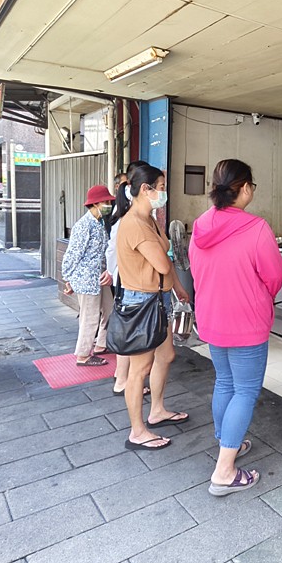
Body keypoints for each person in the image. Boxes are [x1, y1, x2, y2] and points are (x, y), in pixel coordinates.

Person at [190, 159, 282, 495]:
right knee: (245, 391)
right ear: (244, 188)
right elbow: (274, 276)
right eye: (253, 185)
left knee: (225, 382)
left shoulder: (201, 225)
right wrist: (260, 297)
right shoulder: (256, 228)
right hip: (247, 322)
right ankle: (225, 471)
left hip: (212, 319)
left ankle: (226, 442)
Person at [116, 163, 191, 451]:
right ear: (145, 190)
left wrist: (179, 288)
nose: (164, 193)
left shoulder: (150, 219)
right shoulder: (135, 223)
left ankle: (156, 410)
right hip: (141, 302)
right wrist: (171, 268)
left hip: (156, 298)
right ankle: (137, 430)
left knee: (167, 355)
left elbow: (165, 260)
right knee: (140, 368)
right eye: (161, 187)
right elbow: (162, 262)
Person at [61, 184, 116, 367]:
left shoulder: (99, 223)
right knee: (90, 317)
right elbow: (72, 254)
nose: (109, 204)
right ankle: (83, 354)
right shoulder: (84, 225)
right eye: (106, 201)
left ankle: (101, 344)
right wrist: (67, 279)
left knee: (109, 309)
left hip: (100, 277)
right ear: (96, 203)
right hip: (86, 279)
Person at [107, 161, 148, 395]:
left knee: (127, 328)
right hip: (126, 279)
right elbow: (114, 248)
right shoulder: (129, 216)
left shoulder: (124, 210)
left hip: (122, 278)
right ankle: (123, 379)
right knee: (129, 330)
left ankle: (122, 377)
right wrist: (112, 273)